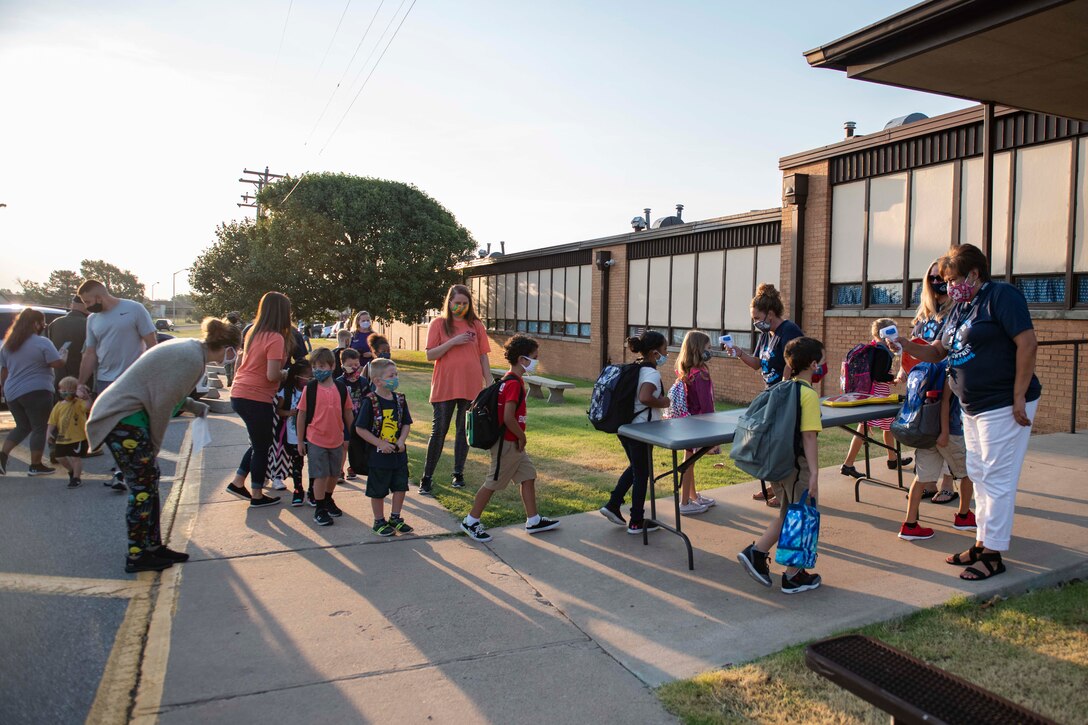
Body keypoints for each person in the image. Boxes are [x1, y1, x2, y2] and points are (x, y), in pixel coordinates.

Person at [897, 244, 1042, 582]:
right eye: (945, 281)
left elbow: (1028, 343)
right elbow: (936, 352)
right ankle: (982, 543)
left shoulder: (1000, 296)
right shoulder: (960, 308)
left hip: (1004, 404)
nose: (948, 287)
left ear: (974, 273)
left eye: (952, 279)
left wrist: (1018, 395)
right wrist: (905, 345)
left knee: (997, 478)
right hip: (972, 407)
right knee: (977, 474)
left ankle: (993, 554)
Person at [85, 318, 240, 573]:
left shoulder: (193, 352)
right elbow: (162, 406)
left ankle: (153, 546)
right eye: (234, 351)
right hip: (123, 419)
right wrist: (155, 447)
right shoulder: (191, 358)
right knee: (142, 487)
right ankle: (137, 554)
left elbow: (167, 390)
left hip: (129, 417)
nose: (233, 357)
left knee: (149, 482)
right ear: (226, 347)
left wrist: (193, 405)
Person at [736, 336, 826, 594]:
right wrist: (815, 475)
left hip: (780, 462)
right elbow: (809, 436)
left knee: (788, 514)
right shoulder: (807, 394)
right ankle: (791, 576)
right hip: (798, 465)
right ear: (812, 364)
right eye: (822, 359)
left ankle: (758, 553)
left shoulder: (783, 387)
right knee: (800, 516)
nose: (823, 364)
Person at [460, 335, 560, 543]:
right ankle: (470, 520)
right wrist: (522, 436)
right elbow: (507, 417)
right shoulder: (514, 384)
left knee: (528, 475)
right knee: (493, 482)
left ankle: (533, 520)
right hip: (508, 442)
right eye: (534, 357)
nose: (536, 361)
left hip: (513, 442)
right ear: (522, 359)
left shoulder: (509, 379)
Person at [726, 283, 804, 507]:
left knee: (783, 443)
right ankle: (775, 485)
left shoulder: (788, 331)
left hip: (786, 396)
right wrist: (739, 353)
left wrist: (783, 387)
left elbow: (794, 360)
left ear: (770, 313)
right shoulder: (766, 335)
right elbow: (757, 364)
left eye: (757, 317)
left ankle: (786, 493)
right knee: (769, 442)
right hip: (771, 395)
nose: (755, 322)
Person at [419, 284, 491, 495]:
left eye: (465, 303)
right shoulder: (438, 324)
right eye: (457, 303)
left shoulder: (476, 325)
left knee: (464, 431)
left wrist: (488, 383)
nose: (461, 307)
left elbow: (483, 356)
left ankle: (458, 473)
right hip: (445, 385)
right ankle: (427, 477)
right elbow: (430, 355)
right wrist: (454, 341)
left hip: (471, 385)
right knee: (439, 431)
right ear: (449, 303)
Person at [598, 330, 670, 535]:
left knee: (637, 468)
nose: (666, 354)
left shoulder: (636, 368)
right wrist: (663, 402)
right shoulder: (651, 373)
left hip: (627, 427)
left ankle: (613, 504)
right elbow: (646, 397)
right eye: (665, 350)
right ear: (655, 353)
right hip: (641, 430)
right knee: (642, 473)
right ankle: (636, 521)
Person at [226, 291, 293, 508]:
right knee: (263, 447)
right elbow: (272, 375)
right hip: (256, 397)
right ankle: (256, 494)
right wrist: (286, 374)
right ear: (282, 313)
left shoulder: (253, 333)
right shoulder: (276, 338)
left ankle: (238, 482)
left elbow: (241, 364)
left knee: (257, 443)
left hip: (240, 392)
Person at [839, 318, 913, 477]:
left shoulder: (875, 348)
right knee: (865, 427)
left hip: (874, 391)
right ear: (885, 333)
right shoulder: (882, 351)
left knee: (888, 425)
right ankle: (848, 464)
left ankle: (892, 458)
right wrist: (892, 378)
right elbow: (879, 375)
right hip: (877, 392)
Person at [0, 308, 67, 476]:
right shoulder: (42, 342)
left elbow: (4, 371)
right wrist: (63, 357)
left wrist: (3, 389)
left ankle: (2, 456)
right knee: (39, 427)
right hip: (37, 390)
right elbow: (56, 363)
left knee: (23, 426)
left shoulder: (8, 345)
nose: (43, 326)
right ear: (35, 324)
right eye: (42, 322)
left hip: (12, 392)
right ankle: (36, 465)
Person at [355, 358, 416, 536]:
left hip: (398, 455)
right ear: (377, 381)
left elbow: (406, 423)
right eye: (392, 375)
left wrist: (401, 441)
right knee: (378, 490)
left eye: (396, 374)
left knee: (400, 487)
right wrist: (380, 443)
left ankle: (395, 517)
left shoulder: (399, 400)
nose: (395, 378)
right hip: (378, 456)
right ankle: (379, 520)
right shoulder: (370, 401)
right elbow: (360, 428)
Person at [297, 348, 354, 527]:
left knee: (334, 473)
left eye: (321, 366)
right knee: (320, 475)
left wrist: (353, 436)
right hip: (316, 439)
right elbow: (301, 414)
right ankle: (319, 508)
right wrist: (300, 440)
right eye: (314, 367)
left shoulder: (341, 388)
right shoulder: (311, 389)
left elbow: (348, 413)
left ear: (332, 366)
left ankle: (328, 499)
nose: (317, 370)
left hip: (336, 438)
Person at [76, 279, 157, 398]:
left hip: (134, 379)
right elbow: (89, 354)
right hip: (105, 381)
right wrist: (80, 383)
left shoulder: (135, 309)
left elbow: (152, 345)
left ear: (99, 297)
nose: (86, 307)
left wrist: (153, 375)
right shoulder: (92, 319)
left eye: (88, 302)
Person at [675, 330, 717, 515]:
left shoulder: (688, 370)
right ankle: (685, 502)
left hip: (689, 421)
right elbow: (706, 404)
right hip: (698, 423)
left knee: (689, 461)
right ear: (698, 349)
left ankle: (692, 496)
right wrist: (713, 433)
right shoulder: (700, 374)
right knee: (688, 462)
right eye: (707, 347)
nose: (710, 350)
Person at [275, 360, 312, 507]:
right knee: (297, 464)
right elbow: (278, 410)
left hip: (312, 434)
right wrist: (290, 413)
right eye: (307, 377)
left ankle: (313, 491)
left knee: (314, 464)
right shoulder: (287, 392)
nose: (309, 380)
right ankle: (298, 490)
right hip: (293, 436)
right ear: (296, 376)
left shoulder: (313, 390)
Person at [47, 376, 91, 488]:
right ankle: (71, 471)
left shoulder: (79, 403)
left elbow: (87, 407)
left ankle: (76, 478)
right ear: (59, 390)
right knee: (59, 457)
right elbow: (52, 420)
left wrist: (86, 397)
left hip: (77, 437)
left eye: (71, 390)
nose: (67, 393)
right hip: (62, 437)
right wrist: (49, 432)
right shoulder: (58, 405)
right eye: (64, 390)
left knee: (75, 458)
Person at [337, 348, 367, 481]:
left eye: (356, 365)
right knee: (344, 444)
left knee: (357, 446)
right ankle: (339, 470)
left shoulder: (363, 382)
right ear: (342, 365)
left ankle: (353, 467)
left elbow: (368, 399)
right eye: (350, 365)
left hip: (359, 418)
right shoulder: (339, 383)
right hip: (343, 419)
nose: (354, 368)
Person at [47, 295, 89, 386]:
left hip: (59, 377)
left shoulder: (55, 323)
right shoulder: (89, 324)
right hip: (82, 378)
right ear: (86, 305)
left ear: (72, 305)